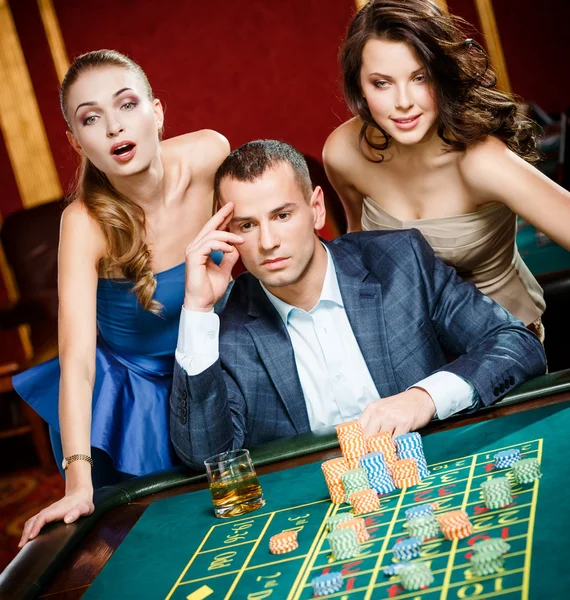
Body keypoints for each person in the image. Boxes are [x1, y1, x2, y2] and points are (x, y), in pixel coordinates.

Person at [169, 140, 546, 471]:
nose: (268, 241)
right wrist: (197, 309)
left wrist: (424, 398)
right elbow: (206, 457)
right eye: (246, 225)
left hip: (432, 473)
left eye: (282, 216)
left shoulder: (400, 263)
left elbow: (516, 344)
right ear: (227, 234)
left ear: (316, 208)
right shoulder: (225, 322)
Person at [15, 50, 229, 546]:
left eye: (126, 105)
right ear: (76, 140)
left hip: (219, 365)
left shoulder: (210, 154)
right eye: (92, 118)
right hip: (132, 402)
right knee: (166, 547)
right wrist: (77, 482)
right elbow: (76, 360)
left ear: (157, 112)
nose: (114, 127)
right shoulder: (83, 222)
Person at [322, 0, 570, 339]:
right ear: (360, 86)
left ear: (443, 72)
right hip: (409, 346)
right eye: (382, 83)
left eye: (419, 77)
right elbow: (357, 253)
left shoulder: (481, 161)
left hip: (505, 342)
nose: (403, 101)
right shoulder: (343, 152)